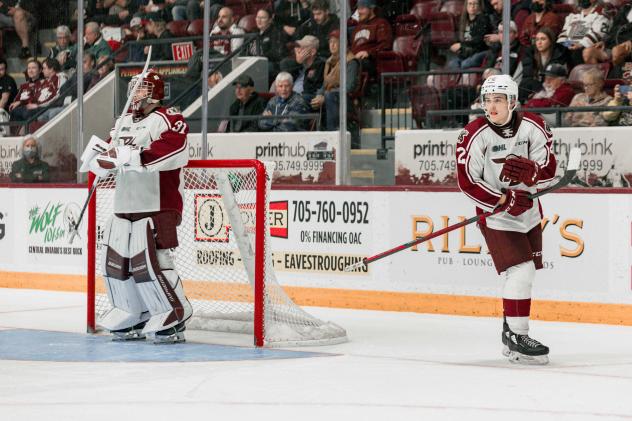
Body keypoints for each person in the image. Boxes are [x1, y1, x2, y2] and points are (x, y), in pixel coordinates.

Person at [80, 70, 192, 344]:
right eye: (133, 88)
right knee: (119, 258)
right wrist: (98, 160)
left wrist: (132, 156)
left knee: (154, 259)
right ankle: (134, 311)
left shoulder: (168, 118)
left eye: (140, 89)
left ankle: (174, 311)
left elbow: (176, 148)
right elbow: (110, 154)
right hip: (126, 202)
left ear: (154, 92)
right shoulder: (122, 122)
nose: (135, 94)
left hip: (157, 202)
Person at [456, 74, 557, 364]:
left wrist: (534, 173)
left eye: (498, 100)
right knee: (520, 271)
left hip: (528, 213)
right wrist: (503, 199)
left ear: (512, 102)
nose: (491, 106)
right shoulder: (474, 134)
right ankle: (517, 334)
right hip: (496, 217)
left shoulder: (534, 126)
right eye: (487, 100)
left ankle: (509, 332)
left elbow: (550, 168)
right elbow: (467, 182)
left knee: (526, 273)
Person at [310, 30, 360, 131]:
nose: (332, 45)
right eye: (330, 42)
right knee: (308, 99)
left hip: (346, 101)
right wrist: (319, 95)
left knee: (330, 96)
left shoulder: (351, 61)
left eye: (335, 42)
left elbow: (349, 87)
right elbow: (325, 85)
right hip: (331, 98)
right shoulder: (329, 61)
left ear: (343, 44)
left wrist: (325, 96)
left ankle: (332, 132)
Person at [519, 28, 570, 104]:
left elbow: (557, 79)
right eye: (537, 40)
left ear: (551, 41)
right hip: (536, 88)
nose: (539, 42)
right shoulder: (530, 53)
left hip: (552, 89)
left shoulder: (559, 54)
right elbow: (527, 78)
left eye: (543, 39)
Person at [350, 0, 393, 78]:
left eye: (362, 8)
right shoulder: (358, 27)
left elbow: (385, 45)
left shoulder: (381, 23)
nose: (359, 12)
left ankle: (346, 90)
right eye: (358, 9)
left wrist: (368, 53)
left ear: (372, 9)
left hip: (371, 62)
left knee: (353, 64)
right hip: (354, 60)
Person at [447, 0, 493, 70]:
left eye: (475, 4)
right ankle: (462, 80)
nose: (472, 6)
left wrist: (461, 45)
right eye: (470, 4)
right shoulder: (463, 20)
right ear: (466, 6)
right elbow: (457, 38)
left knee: (465, 64)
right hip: (466, 54)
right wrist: (455, 46)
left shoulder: (483, 19)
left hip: (480, 51)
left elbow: (479, 40)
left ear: (479, 6)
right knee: (452, 64)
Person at [280, 34, 325, 104]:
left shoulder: (320, 64)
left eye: (302, 47)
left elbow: (314, 89)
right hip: (292, 98)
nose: (298, 49)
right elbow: (284, 75)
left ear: (313, 52)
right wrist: (297, 62)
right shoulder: (296, 63)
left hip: (306, 99)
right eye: (298, 47)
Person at [248, 8, 288, 85]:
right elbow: (244, 49)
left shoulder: (276, 32)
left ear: (270, 20)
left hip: (269, 64)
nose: (259, 20)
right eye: (257, 17)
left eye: (262, 18)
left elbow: (276, 53)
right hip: (251, 62)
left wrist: (259, 58)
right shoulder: (253, 32)